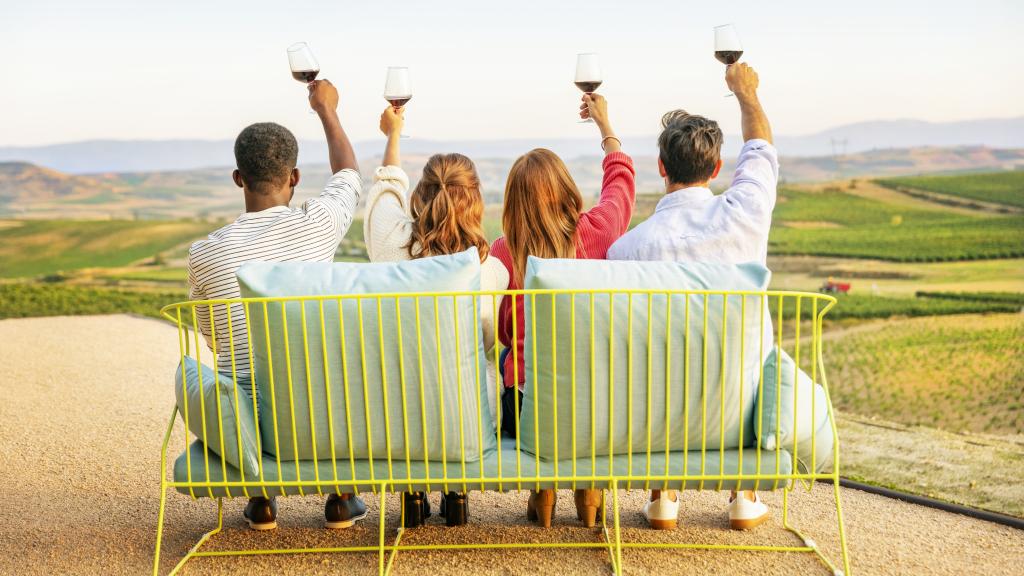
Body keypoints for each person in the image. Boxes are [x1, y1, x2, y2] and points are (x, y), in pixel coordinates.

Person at [185, 79, 368, 531]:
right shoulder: (318, 225)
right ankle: (341, 496)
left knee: (236, 363)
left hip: (247, 423)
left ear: (238, 179)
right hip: (318, 416)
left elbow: (213, 335)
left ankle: (261, 498)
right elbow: (348, 174)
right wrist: (326, 110)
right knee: (329, 366)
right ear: (295, 178)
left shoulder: (205, 253)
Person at [607, 62, 777, 531]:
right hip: (735, 405)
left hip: (658, 415)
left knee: (658, 363)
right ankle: (743, 496)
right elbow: (760, 148)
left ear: (661, 168)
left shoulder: (626, 250)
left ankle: (663, 497)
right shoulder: (746, 214)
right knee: (748, 352)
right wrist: (746, 93)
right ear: (717, 167)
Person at [490, 93, 636, 528]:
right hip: (593, 406)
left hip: (525, 410)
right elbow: (621, 184)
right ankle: (589, 500)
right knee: (583, 392)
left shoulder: (503, 252)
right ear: (567, 191)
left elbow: (501, 331)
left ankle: (543, 494)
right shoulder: (596, 234)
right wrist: (605, 126)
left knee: (512, 362)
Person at [362, 104, 510, 527]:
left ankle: (412, 495)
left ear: (419, 196)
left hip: (398, 415)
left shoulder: (389, 246)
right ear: (476, 200)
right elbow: (486, 344)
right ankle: (456, 493)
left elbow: (384, 193)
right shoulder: (490, 272)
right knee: (480, 367)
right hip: (467, 416)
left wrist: (393, 134)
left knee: (410, 378)